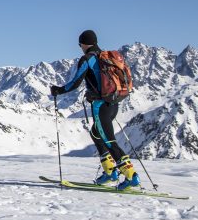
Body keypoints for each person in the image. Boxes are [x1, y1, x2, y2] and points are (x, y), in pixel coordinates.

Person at [50, 29, 139, 189]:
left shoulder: (88, 59)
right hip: (113, 103)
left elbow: (75, 83)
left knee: (109, 141)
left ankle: (131, 176)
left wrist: (58, 90)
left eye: (80, 45)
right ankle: (110, 171)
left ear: (84, 44)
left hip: (100, 105)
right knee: (96, 133)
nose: (80, 47)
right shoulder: (105, 57)